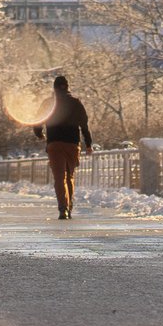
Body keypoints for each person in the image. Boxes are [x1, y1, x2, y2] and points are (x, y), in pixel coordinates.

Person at [32, 74, 93, 219]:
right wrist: (89, 144)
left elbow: (37, 122)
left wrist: (40, 134)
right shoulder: (76, 103)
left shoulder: (48, 103)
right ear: (68, 87)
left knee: (59, 178)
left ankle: (62, 208)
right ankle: (69, 205)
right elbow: (84, 125)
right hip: (72, 144)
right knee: (69, 176)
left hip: (54, 143)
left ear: (54, 88)